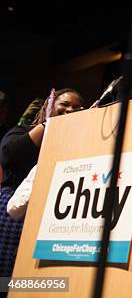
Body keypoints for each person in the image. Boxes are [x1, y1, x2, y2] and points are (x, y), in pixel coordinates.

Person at [0, 88, 83, 277]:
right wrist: (48, 124)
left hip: (48, 214)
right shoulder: (24, 132)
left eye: (77, 107)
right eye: (64, 104)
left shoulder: (75, 142)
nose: (70, 109)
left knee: (26, 276)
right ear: (50, 106)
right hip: (12, 212)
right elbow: (9, 157)